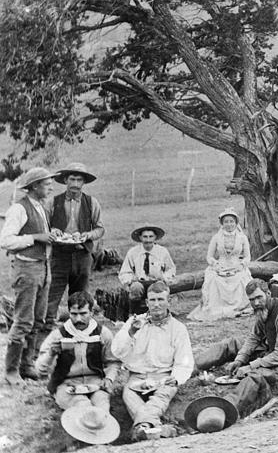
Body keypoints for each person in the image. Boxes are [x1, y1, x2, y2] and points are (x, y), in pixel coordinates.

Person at [194, 279, 278, 418]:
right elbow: (254, 338)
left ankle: (223, 410)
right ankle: (188, 367)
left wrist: (250, 366)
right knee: (232, 343)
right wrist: (239, 360)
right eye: (252, 300)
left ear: (268, 293)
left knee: (255, 377)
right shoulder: (263, 310)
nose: (255, 303)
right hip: (270, 352)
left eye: (259, 297)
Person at [111, 281, 193, 441]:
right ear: (147, 302)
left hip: (164, 376)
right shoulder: (134, 323)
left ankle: (143, 428)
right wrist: (131, 332)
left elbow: (184, 360)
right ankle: (159, 428)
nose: (156, 304)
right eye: (153, 300)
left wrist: (176, 377)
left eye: (161, 300)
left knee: (161, 397)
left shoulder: (178, 328)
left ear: (169, 301)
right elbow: (117, 351)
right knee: (128, 395)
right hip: (137, 378)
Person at [1, 167, 56, 385]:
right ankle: (11, 370)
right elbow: (6, 241)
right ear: (34, 186)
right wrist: (35, 237)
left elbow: (42, 235)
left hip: (44, 267)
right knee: (23, 320)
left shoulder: (40, 207)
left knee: (39, 320)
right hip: (26, 268)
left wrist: (51, 236)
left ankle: (27, 365)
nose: (50, 187)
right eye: (46, 184)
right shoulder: (18, 209)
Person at [36, 291, 119, 412]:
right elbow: (40, 370)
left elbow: (113, 362)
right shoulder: (58, 335)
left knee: (102, 406)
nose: (78, 319)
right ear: (68, 313)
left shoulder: (103, 333)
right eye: (74, 314)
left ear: (91, 312)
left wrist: (109, 378)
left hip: (95, 383)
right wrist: (51, 354)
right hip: (66, 384)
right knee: (82, 406)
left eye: (83, 313)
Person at [45, 162, 104, 329]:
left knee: (81, 296)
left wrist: (88, 235)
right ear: (65, 180)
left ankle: (79, 329)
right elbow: (43, 227)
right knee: (52, 294)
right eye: (72, 179)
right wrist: (53, 230)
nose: (76, 184)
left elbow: (100, 228)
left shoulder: (92, 203)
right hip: (59, 255)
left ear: (84, 182)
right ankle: (46, 329)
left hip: (82, 254)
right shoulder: (52, 202)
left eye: (79, 180)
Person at [188, 208, 253, 321]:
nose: (229, 224)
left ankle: (239, 307)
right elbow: (209, 256)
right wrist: (215, 264)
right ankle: (217, 308)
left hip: (236, 266)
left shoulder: (242, 238)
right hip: (221, 266)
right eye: (226, 222)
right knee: (213, 279)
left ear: (236, 223)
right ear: (222, 224)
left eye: (231, 221)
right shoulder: (216, 238)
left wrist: (241, 265)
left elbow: (248, 257)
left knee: (243, 278)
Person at [118, 225, 176, 314]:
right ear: (140, 237)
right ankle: (136, 314)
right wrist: (130, 279)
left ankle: (159, 313)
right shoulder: (133, 252)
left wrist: (164, 278)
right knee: (136, 288)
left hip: (156, 281)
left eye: (151, 237)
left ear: (155, 237)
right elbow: (124, 272)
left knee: (159, 289)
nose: (148, 240)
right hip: (139, 282)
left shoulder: (162, 251)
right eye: (145, 237)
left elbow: (171, 269)